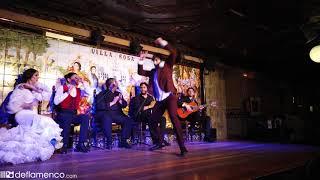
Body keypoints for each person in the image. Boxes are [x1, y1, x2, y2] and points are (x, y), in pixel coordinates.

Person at [0, 68, 63, 164]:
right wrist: (33, 92)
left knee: (36, 129)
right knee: (47, 121)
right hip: (22, 114)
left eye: (38, 75)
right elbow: (17, 104)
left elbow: (47, 94)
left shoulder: (33, 91)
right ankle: (54, 143)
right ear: (30, 76)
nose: (38, 77)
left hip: (30, 114)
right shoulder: (21, 87)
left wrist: (38, 86)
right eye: (36, 75)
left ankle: (50, 144)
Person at [138, 37, 188, 156]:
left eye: (156, 59)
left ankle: (183, 148)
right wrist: (140, 59)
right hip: (160, 101)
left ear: (160, 59)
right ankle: (159, 142)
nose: (154, 61)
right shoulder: (152, 71)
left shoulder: (167, 65)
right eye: (153, 60)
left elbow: (174, 52)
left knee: (174, 119)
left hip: (170, 97)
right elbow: (140, 72)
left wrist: (162, 42)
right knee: (152, 121)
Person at [54, 72, 90, 154]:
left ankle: (81, 144)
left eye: (78, 78)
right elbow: (56, 102)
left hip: (73, 114)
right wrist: (67, 93)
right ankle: (64, 145)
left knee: (85, 117)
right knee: (67, 118)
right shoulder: (62, 88)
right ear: (69, 79)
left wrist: (83, 81)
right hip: (63, 113)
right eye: (75, 78)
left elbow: (89, 92)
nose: (77, 79)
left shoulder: (78, 90)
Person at [94, 78, 133, 149]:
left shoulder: (118, 93)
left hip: (117, 114)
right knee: (107, 118)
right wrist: (113, 102)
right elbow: (99, 106)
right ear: (113, 85)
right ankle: (109, 141)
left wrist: (120, 100)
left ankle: (124, 141)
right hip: (106, 113)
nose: (118, 84)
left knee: (128, 120)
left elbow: (124, 105)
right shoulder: (102, 94)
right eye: (116, 83)